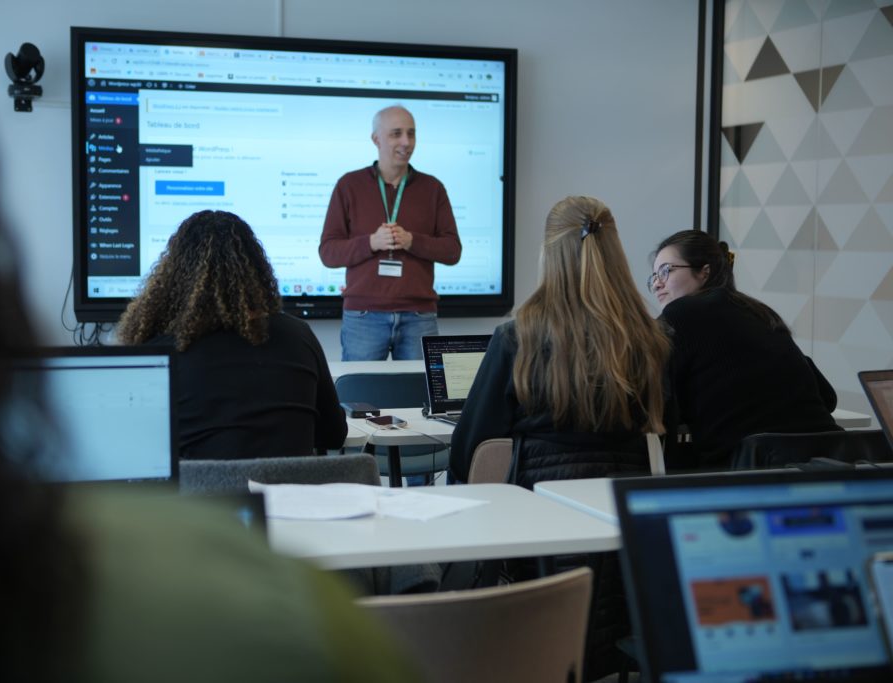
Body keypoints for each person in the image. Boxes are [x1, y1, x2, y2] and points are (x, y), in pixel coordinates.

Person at [0, 2, 420, 680]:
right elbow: (332, 438)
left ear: (169, 274)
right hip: (303, 559)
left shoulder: (152, 355)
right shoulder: (317, 627)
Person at [449, 196, 670, 682]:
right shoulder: (649, 339)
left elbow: (471, 451)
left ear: (549, 253)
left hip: (532, 542)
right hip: (623, 533)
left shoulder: (518, 336)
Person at [117, 210, 348, 459]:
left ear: (174, 275)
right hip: (286, 495)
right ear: (257, 269)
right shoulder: (299, 336)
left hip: (199, 497)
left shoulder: (160, 352)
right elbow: (334, 435)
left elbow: (135, 445)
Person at [650, 230, 838, 469]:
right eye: (654, 276)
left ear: (703, 272)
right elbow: (827, 397)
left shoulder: (678, 315)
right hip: (828, 458)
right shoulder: (758, 311)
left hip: (751, 471)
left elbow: (655, 403)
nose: (657, 283)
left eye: (666, 271)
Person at [319, 105, 461, 360]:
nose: (406, 142)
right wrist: (371, 243)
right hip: (363, 315)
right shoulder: (349, 185)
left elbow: (452, 251)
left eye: (411, 134)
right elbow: (328, 253)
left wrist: (412, 241)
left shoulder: (432, 188)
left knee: (422, 395)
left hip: (419, 316)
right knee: (359, 396)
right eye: (396, 134)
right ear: (376, 139)